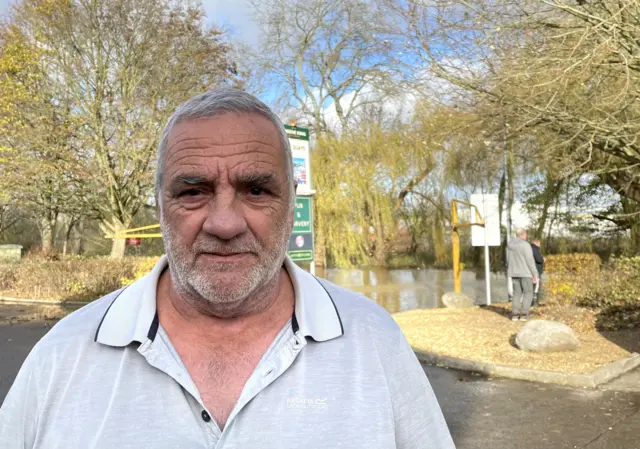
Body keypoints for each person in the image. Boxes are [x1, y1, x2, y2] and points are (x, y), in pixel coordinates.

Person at [0, 88, 455, 449]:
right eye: (193, 191)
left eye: (256, 190)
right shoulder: (63, 355)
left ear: (291, 205)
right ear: (160, 205)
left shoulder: (372, 341)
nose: (223, 222)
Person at [506, 229, 538, 321]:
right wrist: (535, 274)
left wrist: (510, 270)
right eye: (526, 234)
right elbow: (530, 261)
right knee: (528, 292)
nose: (526, 236)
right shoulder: (525, 245)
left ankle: (515, 315)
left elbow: (507, 260)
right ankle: (524, 314)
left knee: (516, 293)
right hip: (526, 273)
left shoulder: (509, 245)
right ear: (523, 234)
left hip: (514, 273)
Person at [530, 239, 544, 306]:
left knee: (532, 285)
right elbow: (538, 259)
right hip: (536, 270)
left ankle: (532, 302)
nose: (540, 245)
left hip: (531, 271)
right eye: (539, 244)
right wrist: (543, 259)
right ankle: (535, 302)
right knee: (536, 285)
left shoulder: (529, 248)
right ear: (536, 243)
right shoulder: (535, 249)